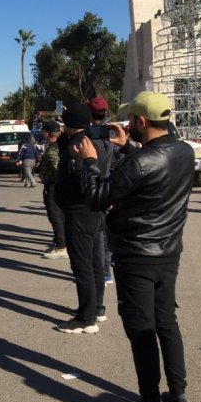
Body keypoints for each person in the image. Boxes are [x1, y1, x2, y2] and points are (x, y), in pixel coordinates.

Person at [75, 91, 193, 402]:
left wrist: (89, 161)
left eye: (131, 120)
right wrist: (126, 146)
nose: (127, 124)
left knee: (141, 330)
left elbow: (98, 197)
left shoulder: (142, 161)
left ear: (141, 121)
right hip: (168, 252)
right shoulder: (183, 151)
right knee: (167, 322)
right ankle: (178, 396)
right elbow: (156, 168)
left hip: (137, 255)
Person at [54, 102, 109, 334]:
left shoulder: (78, 148)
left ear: (67, 125)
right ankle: (97, 308)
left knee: (82, 266)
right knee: (95, 264)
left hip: (79, 212)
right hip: (94, 211)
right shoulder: (94, 141)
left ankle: (86, 318)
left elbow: (81, 181)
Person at [87, 96, 117, 286]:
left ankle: (102, 271)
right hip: (110, 185)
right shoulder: (114, 132)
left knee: (98, 234)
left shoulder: (89, 136)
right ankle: (105, 270)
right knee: (106, 231)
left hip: (95, 186)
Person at [38, 120, 67, 260]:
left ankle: (62, 246)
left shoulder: (53, 150)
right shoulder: (59, 146)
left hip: (54, 186)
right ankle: (59, 242)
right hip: (55, 186)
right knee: (56, 216)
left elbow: (58, 170)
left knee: (56, 216)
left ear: (47, 133)